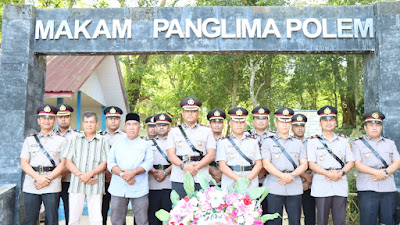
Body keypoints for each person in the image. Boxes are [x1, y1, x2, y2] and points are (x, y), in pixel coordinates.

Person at [20, 104, 67, 225]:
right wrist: (38, 178)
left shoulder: (61, 140)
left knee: (51, 219)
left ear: (54, 120)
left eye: (50, 118)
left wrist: (47, 178)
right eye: (43, 118)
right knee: (30, 218)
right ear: (38, 120)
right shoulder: (30, 140)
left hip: (52, 183)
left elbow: (63, 164)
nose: (47, 120)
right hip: (32, 183)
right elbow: (24, 163)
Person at [307, 106, 354, 225]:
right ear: (320, 123)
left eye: (331, 120)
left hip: (340, 183)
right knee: (322, 220)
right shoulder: (313, 141)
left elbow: (351, 162)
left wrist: (341, 173)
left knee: (340, 220)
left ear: (336, 122)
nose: (328, 123)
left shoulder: (344, 140)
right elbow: (311, 164)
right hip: (322, 184)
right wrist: (328, 173)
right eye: (325, 120)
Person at [352, 111, 400, 225]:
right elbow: (357, 164)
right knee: (368, 221)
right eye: (371, 125)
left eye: (377, 125)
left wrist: (386, 172)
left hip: (388, 188)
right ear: (365, 127)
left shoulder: (390, 143)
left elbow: (397, 162)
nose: (374, 128)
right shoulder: (358, 143)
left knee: (388, 221)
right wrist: (377, 173)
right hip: (367, 188)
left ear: (381, 127)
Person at [262, 107, 308, 225]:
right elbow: (266, 163)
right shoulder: (268, 141)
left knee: (295, 220)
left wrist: (291, 175)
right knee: (274, 221)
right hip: (274, 185)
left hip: (294, 185)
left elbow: (304, 164)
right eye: (282, 121)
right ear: (276, 123)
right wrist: (282, 176)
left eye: (287, 122)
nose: (285, 125)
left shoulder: (298, 142)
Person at [62, 111, 109, 225]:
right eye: (86, 122)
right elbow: (68, 162)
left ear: (97, 124)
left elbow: (106, 162)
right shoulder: (74, 139)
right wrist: (81, 175)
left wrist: (90, 174)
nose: (89, 125)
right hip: (76, 184)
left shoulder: (103, 140)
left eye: (92, 122)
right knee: (73, 218)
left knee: (96, 218)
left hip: (95, 183)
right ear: (83, 124)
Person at [107, 113, 153, 225]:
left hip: (139, 187)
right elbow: (110, 163)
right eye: (129, 124)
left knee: (142, 220)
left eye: (134, 124)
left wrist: (133, 173)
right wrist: (123, 174)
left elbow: (148, 163)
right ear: (125, 127)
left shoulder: (146, 145)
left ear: (139, 127)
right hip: (118, 187)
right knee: (117, 220)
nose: (131, 127)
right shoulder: (117, 144)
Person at [166, 96, 217, 198]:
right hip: (180, 176)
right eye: (187, 111)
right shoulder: (174, 132)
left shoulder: (207, 131)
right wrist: (184, 166)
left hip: (201, 176)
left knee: (202, 209)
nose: (190, 113)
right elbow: (170, 155)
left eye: (193, 111)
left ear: (198, 113)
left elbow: (211, 154)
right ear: (183, 113)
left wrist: (196, 168)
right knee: (179, 208)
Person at [216, 107, 262, 191]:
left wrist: (247, 179)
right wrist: (239, 180)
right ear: (230, 123)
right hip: (230, 182)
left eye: (241, 122)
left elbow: (259, 164)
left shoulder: (253, 141)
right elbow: (222, 166)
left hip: (250, 183)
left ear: (245, 124)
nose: (239, 125)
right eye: (236, 122)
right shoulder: (223, 142)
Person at [100, 106, 126, 225]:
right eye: (110, 118)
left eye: (116, 118)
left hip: (119, 179)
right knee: (101, 210)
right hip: (101, 179)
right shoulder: (99, 136)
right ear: (106, 120)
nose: (113, 121)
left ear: (120, 121)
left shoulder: (125, 137)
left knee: (119, 211)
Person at [54, 103, 80, 225]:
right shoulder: (50, 134)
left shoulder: (78, 136)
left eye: (66, 116)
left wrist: (64, 172)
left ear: (70, 118)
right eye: (60, 116)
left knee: (71, 211)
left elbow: (78, 158)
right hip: (52, 180)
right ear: (56, 118)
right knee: (51, 211)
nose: (63, 119)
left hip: (70, 180)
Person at [246, 105, 274, 214]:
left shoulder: (274, 136)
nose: (261, 121)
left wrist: (263, 170)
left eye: (264, 118)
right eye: (258, 118)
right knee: (251, 212)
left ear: (267, 120)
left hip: (269, 179)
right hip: (251, 179)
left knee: (268, 211)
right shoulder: (245, 136)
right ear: (253, 120)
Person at [148, 113, 173, 225]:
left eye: (164, 125)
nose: (161, 127)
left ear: (169, 127)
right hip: (152, 184)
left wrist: (165, 172)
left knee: (168, 216)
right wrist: (153, 171)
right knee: (152, 216)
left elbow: (179, 161)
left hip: (169, 183)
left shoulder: (175, 142)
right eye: (159, 125)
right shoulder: (147, 143)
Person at [291, 113, 315, 225]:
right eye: (296, 126)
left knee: (310, 215)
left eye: (302, 125)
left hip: (309, 185)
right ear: (292, 128)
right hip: (293, 183)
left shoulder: (312, 142)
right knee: (294, 216)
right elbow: (290, 165)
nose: (300, 128)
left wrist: (309, 181)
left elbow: (317, 162)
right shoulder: (288, 143)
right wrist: (306, 178)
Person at [207, 108, 226, 183]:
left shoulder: (228, 141)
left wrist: (220, 173)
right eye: (214, 122)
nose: (217, 125)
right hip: (207, 177)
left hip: (225, 177)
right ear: (209, 125)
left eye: (220, 122)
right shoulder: (204, 141)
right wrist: (214, 172)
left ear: (223, 125)